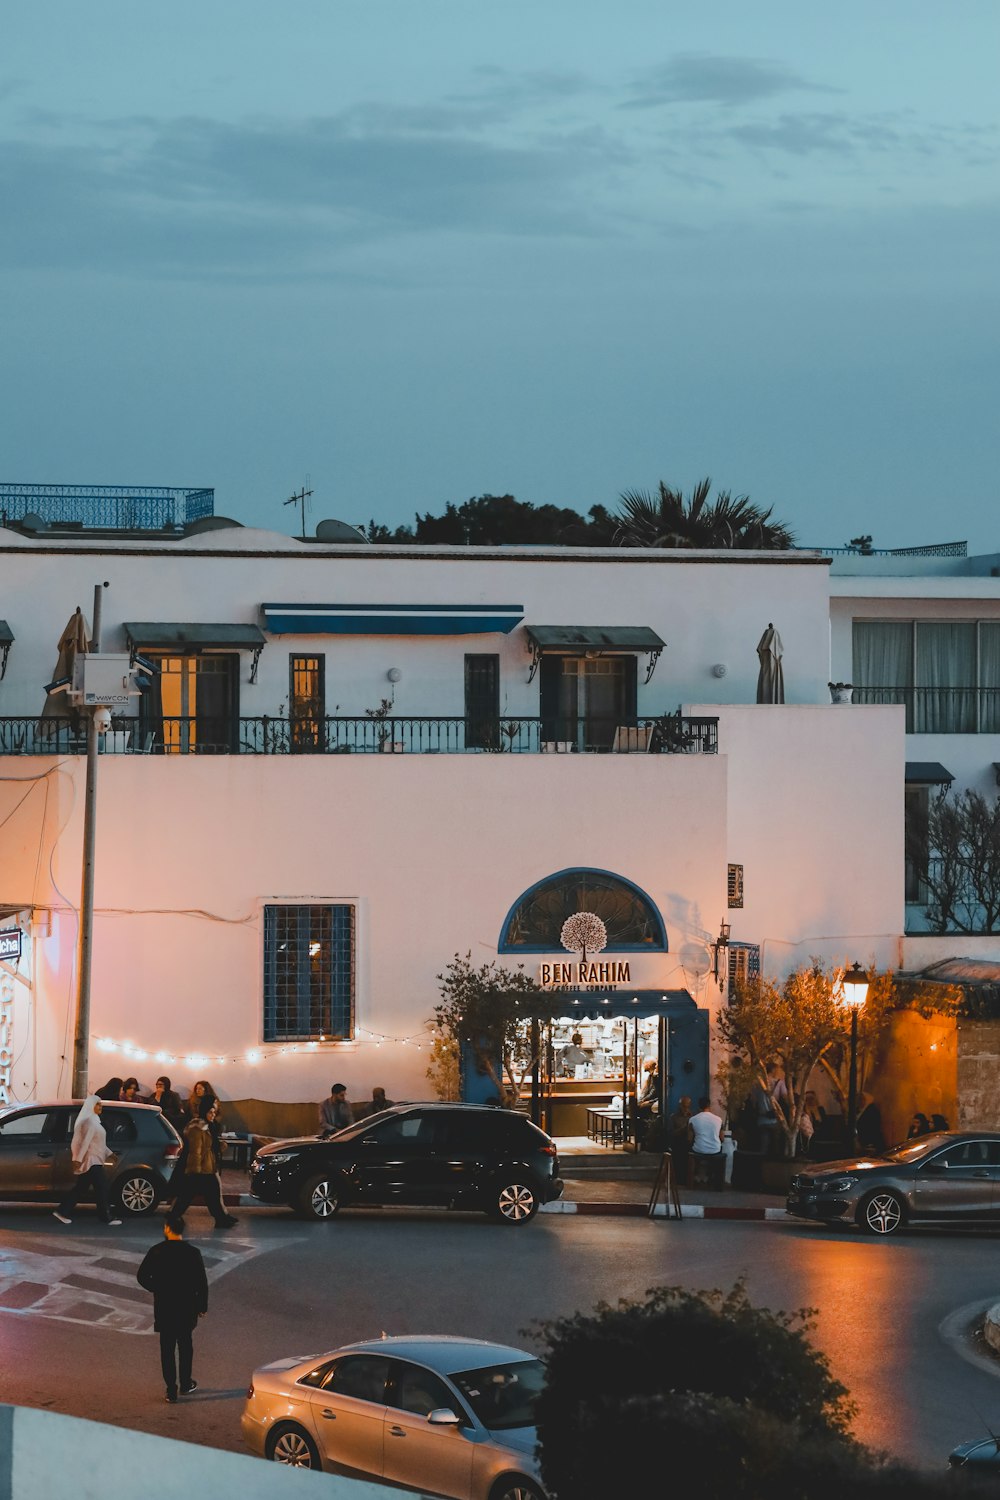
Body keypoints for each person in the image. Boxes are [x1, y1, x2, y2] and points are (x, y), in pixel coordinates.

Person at [137, 1214, 209, 1403]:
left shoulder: (157, 1251)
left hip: (165, 1306)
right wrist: (202, 1306)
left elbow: (142, 1276)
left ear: (168, 1228)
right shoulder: (193, 1253)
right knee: (186, 1346)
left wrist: (158, 1287)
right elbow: (202, 1282)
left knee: (167, 1349)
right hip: (187, 1307)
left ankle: (171, 1389)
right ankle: (186, 1383)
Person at [53, 1095, 123, 1226]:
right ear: (91, 1106)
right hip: (91, 1160)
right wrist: (78, 1159)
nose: (100, 1107)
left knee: (81, 1188)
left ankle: (63, 1211)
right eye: (98, 1104)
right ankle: (106, 1217)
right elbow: (85, 1142)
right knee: (102, 1187)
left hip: (94, 1159)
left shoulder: (94, 1121)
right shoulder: (90, 1122)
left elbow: (98, 1143)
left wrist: (110, 1153)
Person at [171, 1098, 237, 1227]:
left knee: (210, 1194)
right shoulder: (197, 1127)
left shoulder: (208, 1126)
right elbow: (195, 1151)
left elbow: (210, 1146)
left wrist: (220, 1145)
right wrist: (194, 1170)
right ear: (204, 1111)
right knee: (188, 1195)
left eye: (214, 1112)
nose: (213, 1115)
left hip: (206, 1166)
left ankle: (221, 1218)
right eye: (210, 1112)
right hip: (199, 1168)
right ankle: (174, 1216)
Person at [688, 1096, 725, 1189]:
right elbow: (722, 1138)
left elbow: (689, 1138)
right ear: (709, 1105)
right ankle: (715, 1183)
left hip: (698, 1149)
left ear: (699, 1107)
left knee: (691, 1151)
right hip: (715, 1150)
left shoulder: (693, 1119)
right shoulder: (719, 1119)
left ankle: (692, 1182)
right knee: (718, 1150)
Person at [667, 1095, 693, 1183]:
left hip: (690, 1144)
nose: (685, 1108)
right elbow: (671, 1133)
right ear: (680, 1106)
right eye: (683, 1106)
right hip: (678, 1143)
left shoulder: (693, 1117)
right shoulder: (674, 1117)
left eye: (687, 1106)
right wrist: (684, 1128)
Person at [636, 1060, 659, 1148]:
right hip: (651, 1100)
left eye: (645, 1063)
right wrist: (642, 1099)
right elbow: (647, 1091)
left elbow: (654, 1093)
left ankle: (642, 1133)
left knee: (640, 1108)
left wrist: (646, 1101)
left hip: (655, 1101)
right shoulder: (651, 1076)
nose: (643, 1064)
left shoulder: (656, 1077)